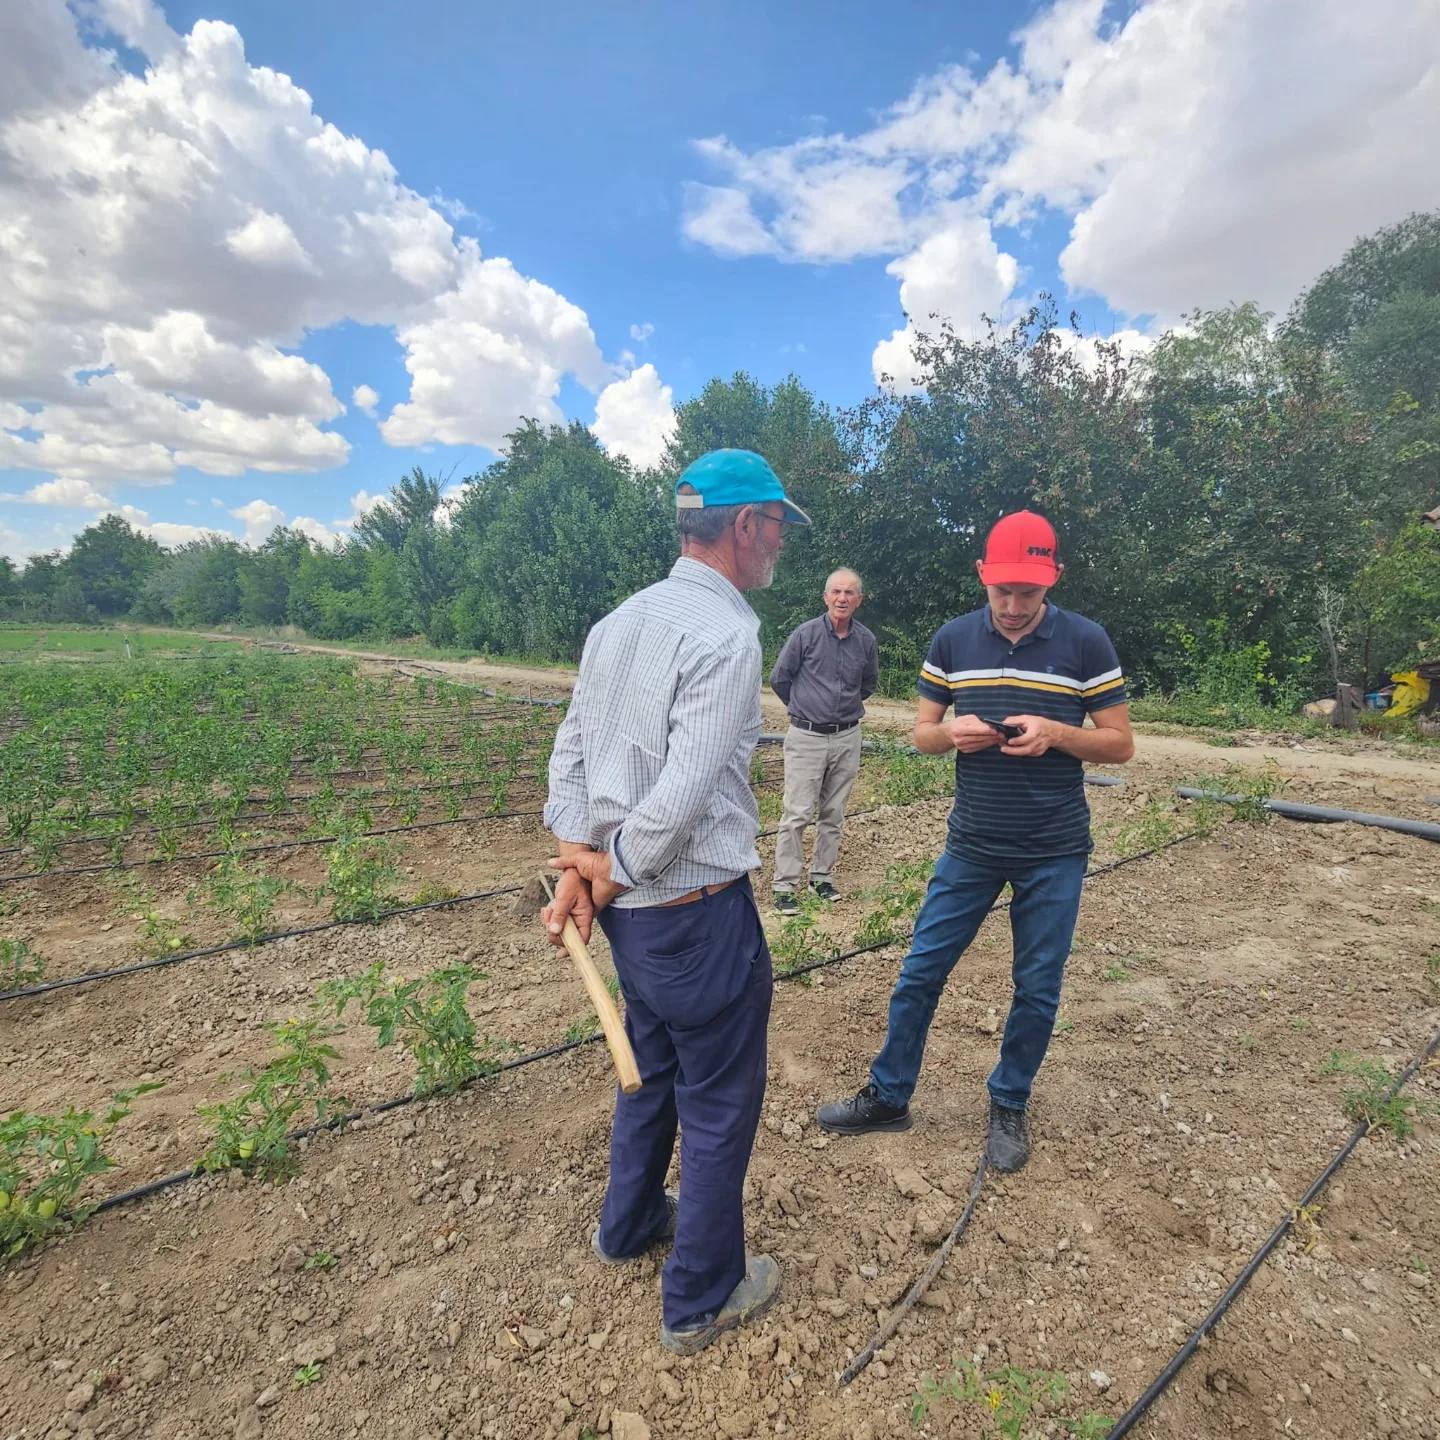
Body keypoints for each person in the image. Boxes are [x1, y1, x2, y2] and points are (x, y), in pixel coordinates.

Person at [541, 448, 811, 1354]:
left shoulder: (620, 621)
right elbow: (684, 792)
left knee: (651, 1070)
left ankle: (626, 1227)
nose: (780, 544)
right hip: (694, 913)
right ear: (742, 526)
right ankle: (701, 1294)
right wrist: (603, 869)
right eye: (776, 525)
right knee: (722, 1098)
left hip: (630, 923)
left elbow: (569, 755)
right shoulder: (727, 636)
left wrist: (581, 864)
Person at [815, 510, 1134, 1172]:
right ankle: (889, 1094)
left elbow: (1120, 743)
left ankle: (1010, 1102)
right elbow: (921, 732)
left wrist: (1058, 733)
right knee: (920, 971)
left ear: (1054, 580)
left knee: (1037, 986)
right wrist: (952, 733)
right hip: (973, 843)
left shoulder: (1087, 643)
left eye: (1030, 593)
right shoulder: (954, 640)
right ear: (983, 578)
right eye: (1003, 592)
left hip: (1055, 849)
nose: (1015, 607)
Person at [769, 569, 878, 912]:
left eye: (849, 593)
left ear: (859, 600)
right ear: (825, 597)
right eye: (836, 592)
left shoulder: (865, 640)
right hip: (806, 737)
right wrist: (805, 709)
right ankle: (785, 886)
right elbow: (780, 679)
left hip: (847, 736)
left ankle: (822, 878)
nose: (842, 598)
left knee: (833, 813)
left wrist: (840, 711)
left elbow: (868, 684)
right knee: (797, 813)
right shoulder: (806, 635)